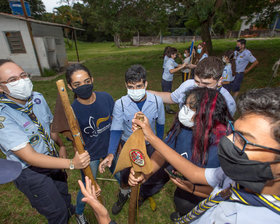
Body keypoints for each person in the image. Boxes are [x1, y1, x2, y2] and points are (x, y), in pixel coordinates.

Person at [129, 87, 280, 223]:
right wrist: (146, 172)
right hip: (189, 198)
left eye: (243, 139)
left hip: (199, 199)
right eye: (235, 132)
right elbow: (196, 174)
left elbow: (215, 188)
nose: (228, 140)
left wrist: (195, 190)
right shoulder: (239, 173)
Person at [0, 59, 90, 224]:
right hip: (31, 171)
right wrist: (71, 163)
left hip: (53, 160)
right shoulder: (3, 116)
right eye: (12, 80)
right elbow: (29, 156)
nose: (21, 81)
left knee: (64, 197)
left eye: (23, 75)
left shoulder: (37, 99)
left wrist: (61, 146)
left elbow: (50, 128)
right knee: (57, 213)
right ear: (0, 87)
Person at [136, 87, 232, 220]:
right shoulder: (182, 127)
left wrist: (193, 189)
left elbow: (224, 190)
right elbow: (163, 152)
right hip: (184, 188)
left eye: (191, 108)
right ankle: (182, 215)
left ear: (206, 114)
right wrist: (147, 172)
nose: (183, 111)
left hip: (206, 202)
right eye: (185, 106)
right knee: (181, 204)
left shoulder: (223, 146)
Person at [98, 64, 165, 215]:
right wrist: (111, 154)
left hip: (150, 144)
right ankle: (123, 194)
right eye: (131, 87)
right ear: (126, 86)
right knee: (125, 174)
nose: (135, 91)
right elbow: (115, 130)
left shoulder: (157, 101)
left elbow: (160, 124)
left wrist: (159, 145)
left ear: (146, 84)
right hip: (128, 144)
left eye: (139, 86)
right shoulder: (120, 104)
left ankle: (140, 195)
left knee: (148, 171)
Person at [65, 63, 120, 224]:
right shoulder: (72, 112)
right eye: (77, 84)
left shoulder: (106, 98)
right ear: (70, 87)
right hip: (91, 156)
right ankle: (79, 213)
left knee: (121, 174)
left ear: (92, 79)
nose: (83, 86)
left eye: (86, 81)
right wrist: (83, 161)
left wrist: (116, 148)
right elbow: (75, 142)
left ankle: (125, 192)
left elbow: (115, 124)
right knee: (89, 188)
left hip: (111, 149)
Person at [149, 56, 236, 117]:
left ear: (220, 81)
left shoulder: (228, 103)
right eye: (197, 81)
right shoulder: (188, 85)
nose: (200, 87)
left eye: (206, 84)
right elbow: (171, 98)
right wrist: (145, 92)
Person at [162, 47, 187, 114]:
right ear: (172, 55)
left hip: (168, 80)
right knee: (167, 94)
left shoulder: (171, 61)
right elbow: (171, 71)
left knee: (167, 92)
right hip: (166, 81)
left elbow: (177, 65)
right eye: (175, 55)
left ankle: (166, 107)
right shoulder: (169, 62)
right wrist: (182, 67)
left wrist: (183, 65)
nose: (176, 56)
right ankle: (167, 109)